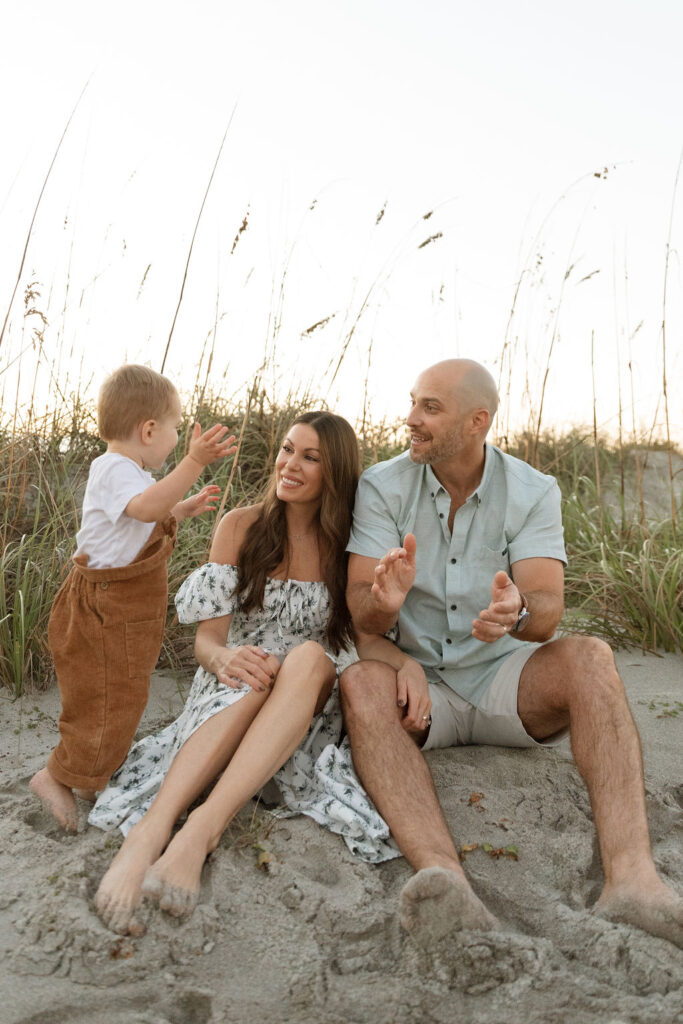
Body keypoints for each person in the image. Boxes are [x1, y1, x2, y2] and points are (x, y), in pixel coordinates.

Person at [341, 357, 683, 949]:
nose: (411, 420)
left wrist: (518, 611)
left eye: (430, 408)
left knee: (591, 656)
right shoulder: (381, 484)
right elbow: (357, 608)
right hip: (417, 694)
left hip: (505, 680)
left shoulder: (531, 489)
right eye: (414, 402)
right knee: (359, 684)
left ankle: (631, 880)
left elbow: (549, 603)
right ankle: (446, 880)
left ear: (477, 421)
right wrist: (384, 602)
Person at [90, 410, 369, 936]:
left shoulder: (349, 545)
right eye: (288, 449)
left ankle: (201, 830)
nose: (290, 464)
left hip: (302, 705)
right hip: (235, 683)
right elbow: (208, 640)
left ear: (336, 473)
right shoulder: (241, 525)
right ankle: (150, 833)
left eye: (310, 457)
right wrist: (224, 660)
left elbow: (361, 636)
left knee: (307, 658)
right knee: (256, 667)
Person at [29, 364, 236, 833]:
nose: (177, 438)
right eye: (175, 430)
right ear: (148, 429)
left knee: (123, 694)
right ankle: (54, 776)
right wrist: (194, 462)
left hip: (122, 610)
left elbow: (144, 516)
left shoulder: (134, 473)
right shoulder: (113, 469)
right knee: (102, 696)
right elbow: (143, 509)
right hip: (104, 608)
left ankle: (88, 775)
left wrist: (180, 507)